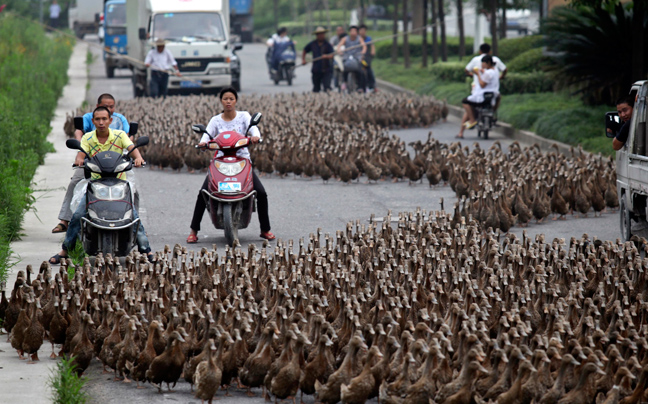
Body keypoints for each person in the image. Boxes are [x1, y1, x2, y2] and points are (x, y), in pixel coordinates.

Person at [49, 107, 152, 264]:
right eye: (98, 119)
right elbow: (81, 154)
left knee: (134, 217)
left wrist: (138, 158)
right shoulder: (88, 138)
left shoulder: (120, 135)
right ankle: (65, 250)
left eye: (105, 119)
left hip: (119, 183)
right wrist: (79, 160)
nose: (101, 122)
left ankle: (146, 250)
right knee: (77, 215)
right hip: (95, 183)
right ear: (93, 121)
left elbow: (132, 149)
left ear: (110, 121)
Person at [187, 87, 275, 243]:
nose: (228, 102)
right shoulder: (215, 120)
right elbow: (206, 136)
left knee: (261, 193)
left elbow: (255, 130)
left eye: (231, 99)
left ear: (236, 101)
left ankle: (265, 229)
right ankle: (193, 230)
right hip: (220, 161)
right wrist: (202, 144)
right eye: (225, 99)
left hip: (242, 161)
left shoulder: (244, 117)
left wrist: (255, 137)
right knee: (203, 193)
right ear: (221, 101)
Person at [52, 94, 130, 234]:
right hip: (92, 162)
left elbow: (128, 137)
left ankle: (132, 221)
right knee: (75, 182)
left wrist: (133, 155)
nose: (108, 109)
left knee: (131, 189)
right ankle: (65, 219)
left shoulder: (120, 120)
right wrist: (80, 153)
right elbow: (79, 132)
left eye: (111, 106)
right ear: (97, 107)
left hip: (114, 163)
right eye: (105, 106)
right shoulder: (89, 119)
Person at [457, 55, 499, 139]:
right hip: (493, 95)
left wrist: (478, 74)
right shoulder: (495, 71)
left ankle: (472, 120)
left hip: (483, 96)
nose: (482, 65)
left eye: (483, 63)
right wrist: (482, 72)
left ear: (488, 63)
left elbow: (482, 84)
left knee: (465, 102)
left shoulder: (488, 73)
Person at [465, 43, 507, 111]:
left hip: (479, 90)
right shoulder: (495, 67)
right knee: (498, 97)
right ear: (490, 52)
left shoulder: (476, 60)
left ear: (480, 51)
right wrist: (501, 76)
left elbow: (466, 70)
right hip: (493, 91)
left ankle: (472, 120)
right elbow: (505, 69)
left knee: (470, 105)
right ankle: (493, 112)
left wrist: (475, 74)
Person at [302, 27, 334, 93]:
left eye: (322, 34)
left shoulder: (327, 45)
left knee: (327, 88)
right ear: (317, 35)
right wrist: (303, 60)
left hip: (326, 70)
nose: (321, 36)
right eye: (319, 34)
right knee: (316, 89)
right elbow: (305, 50)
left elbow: (332, 55)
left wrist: (326, 56)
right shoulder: (313, 44)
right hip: (316, 70)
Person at [336, 26, 367, 93]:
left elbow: (364, 46)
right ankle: (345, 82)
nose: (353, 33)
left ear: (357, 32)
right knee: (343, 68)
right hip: (347, 56)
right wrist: (339, 51)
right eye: (351, 31)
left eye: (354, 31)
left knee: (361, 70)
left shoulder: (359, 39)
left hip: (357, 56)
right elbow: (339, 45)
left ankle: (360, 86)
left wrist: (362, 52)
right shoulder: (345, 39)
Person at [358, 24, 376, 93]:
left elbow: (372, 46)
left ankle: (372, 85)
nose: (362, 32)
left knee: (368, 70)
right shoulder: (357, 39)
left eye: (363, 30)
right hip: (358, 57)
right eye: (361, 30)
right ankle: (360, 86)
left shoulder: (368, 39)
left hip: (366, 57)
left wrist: (372, 52)